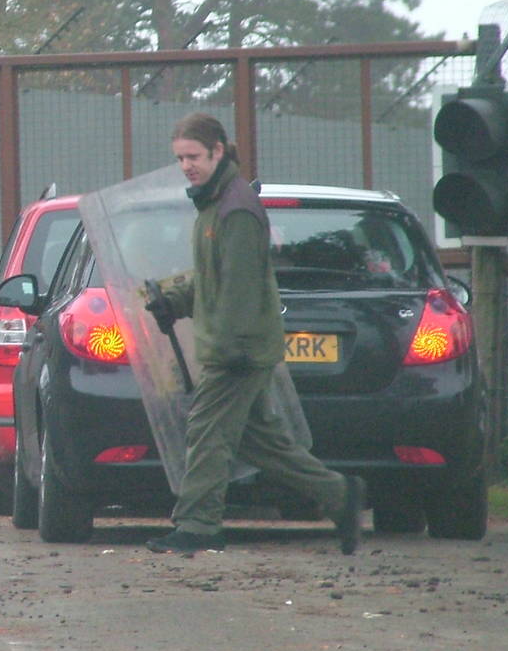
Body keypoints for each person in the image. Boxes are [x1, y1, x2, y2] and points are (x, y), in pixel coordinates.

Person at [142, 113, 365, 557]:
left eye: (194, 156)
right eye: (180, 158)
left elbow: (240, 287)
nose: (186, 165)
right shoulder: (214, 204)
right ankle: (342, 496)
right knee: (258, 440)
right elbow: (212, 280)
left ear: (218, 151)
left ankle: (198, 526)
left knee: (206, 430)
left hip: (236, 350)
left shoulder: (235, 208)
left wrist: (233, 349)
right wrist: (174, 300)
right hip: (236, 345)